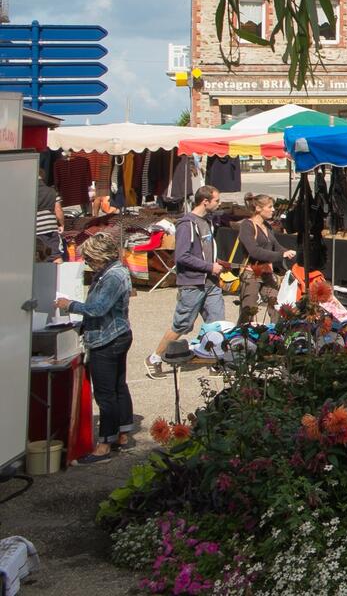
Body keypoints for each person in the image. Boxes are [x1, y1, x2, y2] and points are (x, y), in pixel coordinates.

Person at [56, 231, 133, 461]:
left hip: (107, 338)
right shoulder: (112, 271)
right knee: (118, 387)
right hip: (116, 334)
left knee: (105, 393)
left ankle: (105, 443)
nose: (88, 263)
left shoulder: (112, 275)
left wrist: (69, 304)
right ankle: (122, 433)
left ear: (100, 256)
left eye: (89, 259)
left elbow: (98, 308)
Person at [146, 185, 223, 377]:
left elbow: (205, 251)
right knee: (182, 325)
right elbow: (182, 256)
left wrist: (216, 264)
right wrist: (209, 267)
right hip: (192, 283)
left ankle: (216, 361)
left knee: (216, 323)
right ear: (205, 201)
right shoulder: (186, 224)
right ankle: (155, 358)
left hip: (211, 283)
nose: (219, 204)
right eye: (217, 200)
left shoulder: (208, 221)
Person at [235, 194, 295, 326]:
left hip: (267, 273)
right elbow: (254, 251)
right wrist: (281, 255)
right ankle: (242, 335)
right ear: (258, 208)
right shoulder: (247, 225)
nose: (273, 210)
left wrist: (288, 252)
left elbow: (275, 246)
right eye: (270, 207)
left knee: (277, 305)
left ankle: (276, 333)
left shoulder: (267, 226)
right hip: (251, 274)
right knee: (248, 311)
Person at [35, 169, 64, 262]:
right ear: (43, 176)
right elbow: (58, 210)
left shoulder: (27, 191)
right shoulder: (52, 191)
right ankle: (57, 270)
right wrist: (61, 224)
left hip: (34, 228)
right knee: (55, 255)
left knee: (36, 256)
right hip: (49, 227)